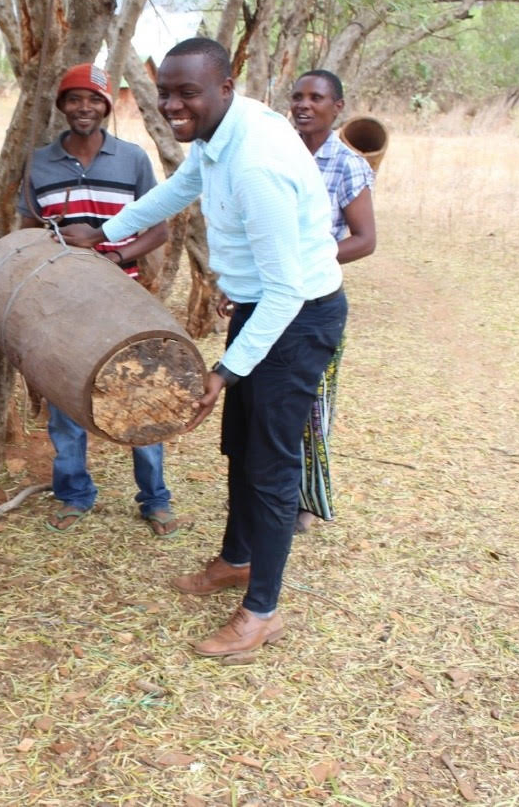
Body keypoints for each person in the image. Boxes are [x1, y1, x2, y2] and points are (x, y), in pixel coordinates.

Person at [60, 38, 347, 663]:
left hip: (295, 319)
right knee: (241, 447)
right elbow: (180, 187)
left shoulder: (256, 165)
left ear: (225, 87)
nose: (171, 105)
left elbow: (287, 290)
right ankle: (237, 561)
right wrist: (104, 235)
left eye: (187, 93)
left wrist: (226, 369)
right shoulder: (222, 136)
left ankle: (261, 613)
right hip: (261, 310)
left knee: (270, 469)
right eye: (165, 92)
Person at [16, 63, 177, 536]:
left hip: (120, 297)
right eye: (73, 99)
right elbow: (28, 232)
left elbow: (159, 228)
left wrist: (117, 255)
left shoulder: (132, 160)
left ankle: (155, 498)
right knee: (65, 400)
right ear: (61, 106)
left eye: (93, 99)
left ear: (107, 106)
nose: (83, 108)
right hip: (61, 301)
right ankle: (73, 493)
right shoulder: (37, 163)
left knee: (141, 395)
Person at [286, 69, 376, 533]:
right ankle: (273, 490)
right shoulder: (277, 153)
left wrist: (306, 260)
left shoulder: (346, 164)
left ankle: (306, 499)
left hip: (316, 301)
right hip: (271, 296)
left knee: (312, 403)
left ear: (337, 107)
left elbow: (364, 240)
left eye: (316, 98)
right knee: (268, 401)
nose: (304, 105)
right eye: (298, 96)